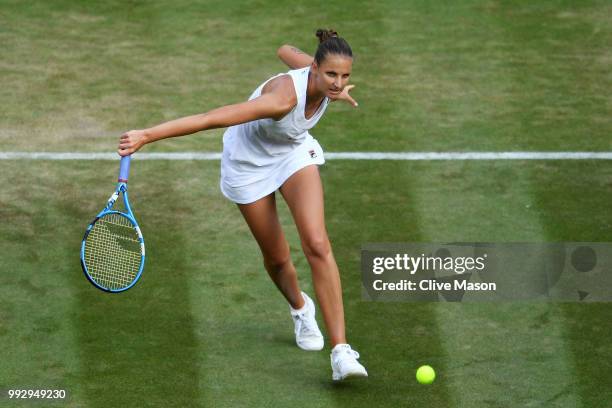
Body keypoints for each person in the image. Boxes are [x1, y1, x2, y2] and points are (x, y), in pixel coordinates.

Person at [118, 28, 367, 381]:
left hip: (293, 152)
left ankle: (341, 352)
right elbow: (211, 117)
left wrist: (334, 91)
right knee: (278, 258)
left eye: (344, 76)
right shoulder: (281, 99)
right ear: (314, 68)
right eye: (331, 75)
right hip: (247, 165)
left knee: (316, 243)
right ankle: (300, 307)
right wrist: (147, 135)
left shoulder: (324, 77)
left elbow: (285, 49)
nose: (338, 83)